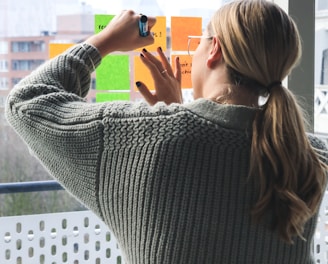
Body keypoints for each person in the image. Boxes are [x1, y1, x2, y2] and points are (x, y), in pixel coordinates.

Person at [5, 0, 328, 263]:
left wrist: (106, 40)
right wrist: (177, 113)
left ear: (214, 49)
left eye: (200, 41)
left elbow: (27, 102)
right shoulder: (307, 157)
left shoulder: (144, 140)